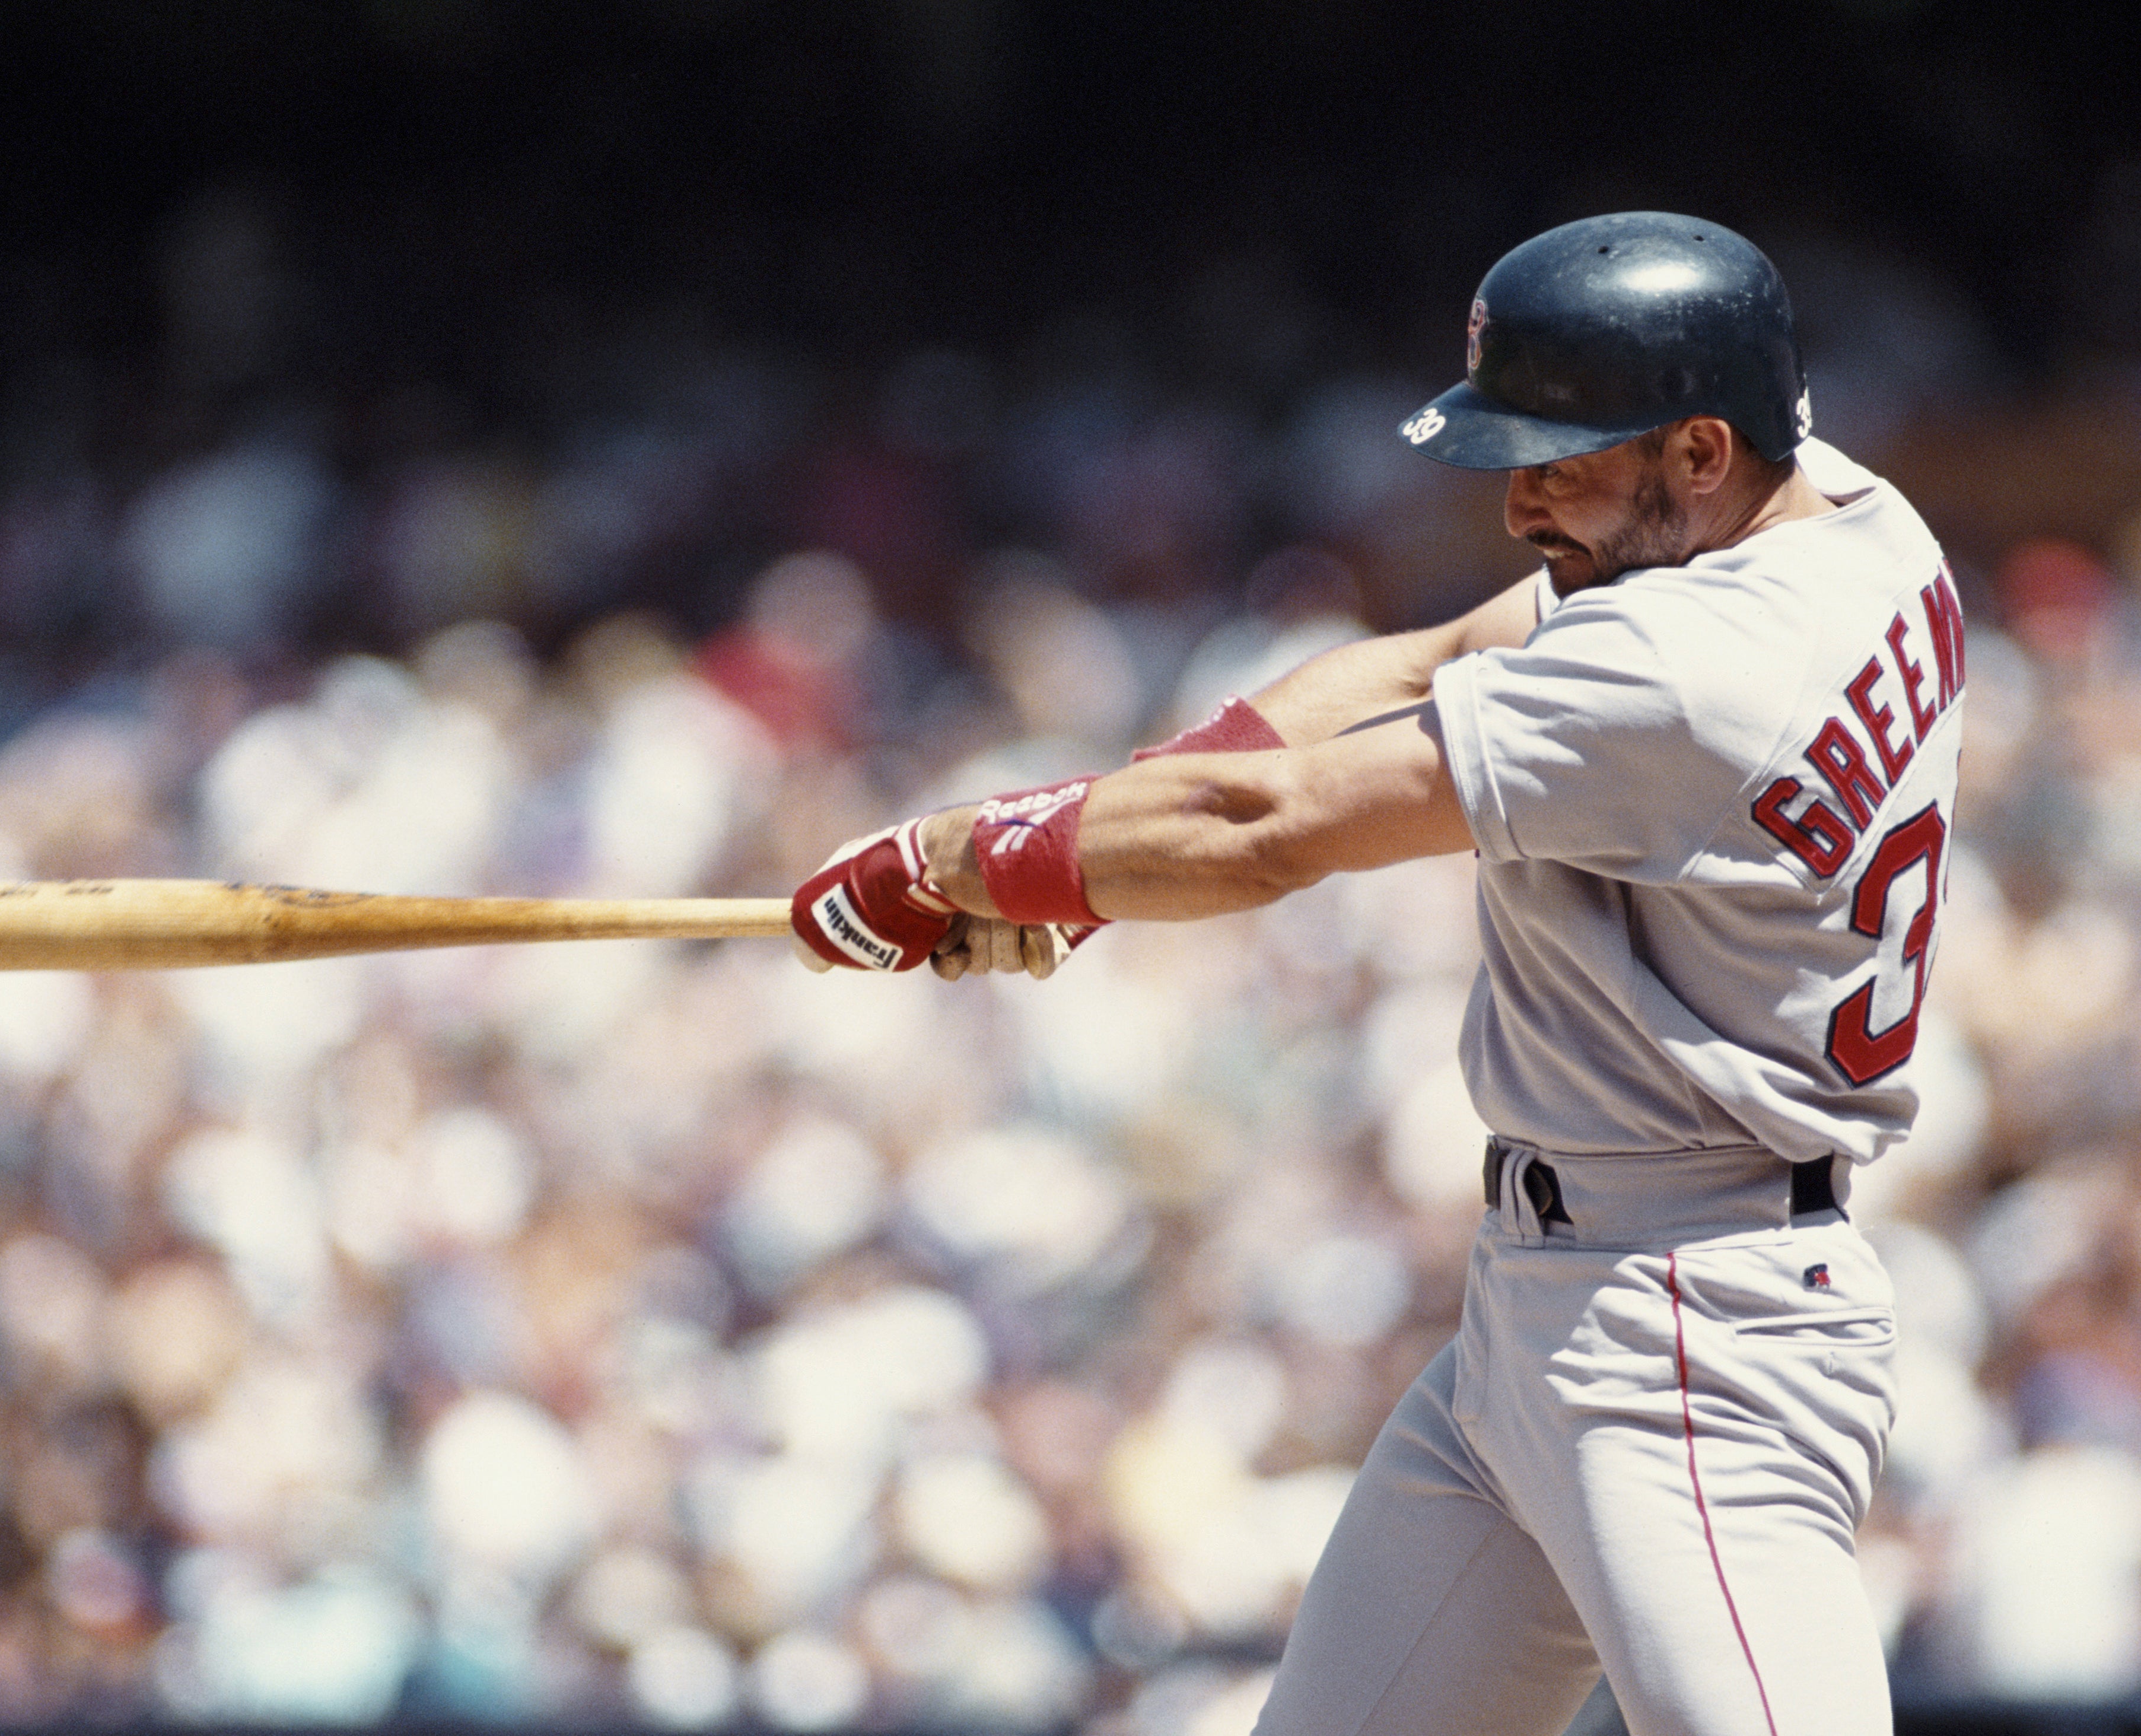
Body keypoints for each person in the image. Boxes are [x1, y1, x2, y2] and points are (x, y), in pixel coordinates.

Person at [792, 211, 1964, 1735]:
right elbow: (1419, 664)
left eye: (1565, 454)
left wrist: (959, 853)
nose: (1522, 497)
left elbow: (1274, 831)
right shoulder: (1846, 519)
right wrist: (1098, 846)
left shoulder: (1693, 667)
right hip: (1547, 1305)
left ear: (1698, 446)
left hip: (1694, 1328)